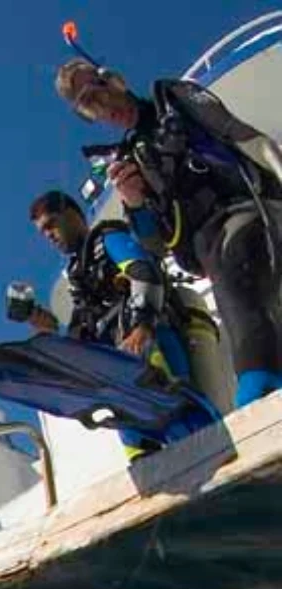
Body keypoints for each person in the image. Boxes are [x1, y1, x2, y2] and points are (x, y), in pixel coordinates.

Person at [55, 58, 282, 409]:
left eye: (97, 92)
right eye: (88, 107)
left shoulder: (170, 98)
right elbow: (156, 247)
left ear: (114, 80)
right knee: (232, 274)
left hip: (247, 211)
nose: (102, 107)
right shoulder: (131, 161)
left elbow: (238, 132)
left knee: (233, 263)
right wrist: (134, 201)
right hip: (206, 245)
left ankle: (261, 385)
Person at [23, 189, 207, 457]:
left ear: (72, 215)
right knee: (138, 448)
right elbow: (81, 339)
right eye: (43, 232)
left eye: (51, 224)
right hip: (123, 374)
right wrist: (49, 332)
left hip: (151, 347)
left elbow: (144, 274)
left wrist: (142, 328)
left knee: (184, 422)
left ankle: (213, 454)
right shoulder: (79, 279)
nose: (49, 235)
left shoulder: (108, 239)